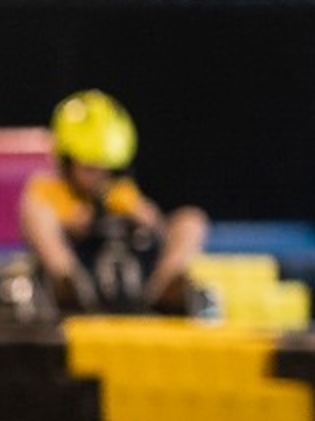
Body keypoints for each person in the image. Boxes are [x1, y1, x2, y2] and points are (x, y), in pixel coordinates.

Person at [18, 91, 208, 316]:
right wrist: (76, 222)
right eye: (89, 167)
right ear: (67, 161)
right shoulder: (47, 191)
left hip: (137, 283)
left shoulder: (122, 192)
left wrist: (142, 218)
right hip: (79, 271)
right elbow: (37, 220)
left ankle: (165, 287)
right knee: (38, 216)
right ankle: (67, 284)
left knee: (191, 219)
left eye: (105, 167)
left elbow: (157, 227)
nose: (98, 175)